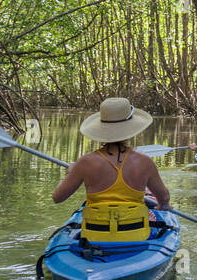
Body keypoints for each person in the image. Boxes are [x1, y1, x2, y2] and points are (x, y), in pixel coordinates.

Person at [52, 97, 170, 243]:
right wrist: (162, 206)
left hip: (94, 236)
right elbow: (163, 197)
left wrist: (72, 172)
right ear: (131, 129)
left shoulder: (85, 163)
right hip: (136, 235)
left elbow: (57, 197)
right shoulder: (145, 162)